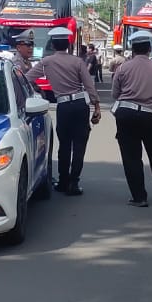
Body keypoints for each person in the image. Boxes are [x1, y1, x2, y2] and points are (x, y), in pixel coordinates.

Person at [110, 29, 152, 207]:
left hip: (126, 114)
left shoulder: (123, 68)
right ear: (150, 48)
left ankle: (139, 197)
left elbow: (115, 93)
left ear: (132, 50)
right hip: (150, 115)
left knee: (131, 157)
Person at [33, 26, 100, 195]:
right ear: (69, 44)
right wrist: (97, 107)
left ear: (53, 44)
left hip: (63, 107)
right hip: (80, 105)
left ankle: (63, 182)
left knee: (64, 145)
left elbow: (26, 78)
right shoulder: (78, 62)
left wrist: (36, 93)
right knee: (79, 146)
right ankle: (74, 183)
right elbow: (89, 85)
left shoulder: (46, 62)